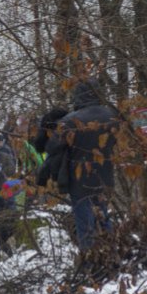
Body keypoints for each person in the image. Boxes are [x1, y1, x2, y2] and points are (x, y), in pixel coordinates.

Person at [44, 77, 118, 252]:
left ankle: (91, 259)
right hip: (105, 176)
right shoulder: (112, 116)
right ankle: (113, 252)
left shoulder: (71, 120)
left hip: (79, 180)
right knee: (103, 216)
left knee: (85, 224)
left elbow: (52, 147)